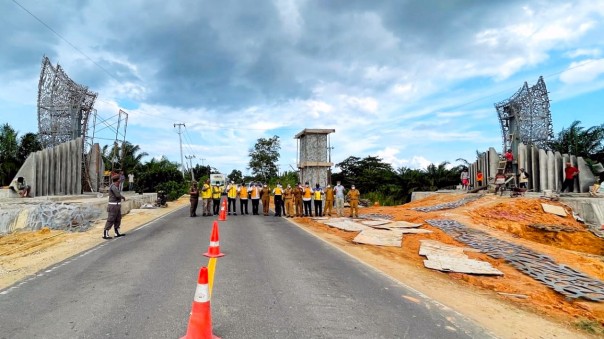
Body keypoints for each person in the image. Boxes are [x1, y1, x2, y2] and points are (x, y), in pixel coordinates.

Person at [103, 175, 126, 239]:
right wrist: (122, 197)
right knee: (111, 219)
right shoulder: (113, 186)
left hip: (117, 205)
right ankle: (105, 233)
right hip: (113, 206)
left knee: (118, 219)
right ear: (118, 180)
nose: (120, 180)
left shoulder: (116, 186)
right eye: (120, 179)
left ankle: (117, 232)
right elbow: (118, 195)